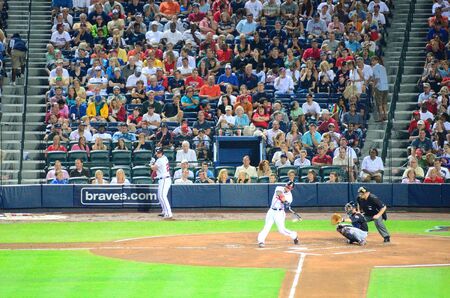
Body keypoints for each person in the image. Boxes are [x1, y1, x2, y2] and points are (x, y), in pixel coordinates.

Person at [257, 181, 299, 248]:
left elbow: (286, 201)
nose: (287, 188)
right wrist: (285, 201)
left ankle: (294, 235)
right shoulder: (279, 188)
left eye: (289, 188)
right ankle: (261, 241)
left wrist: (287, 203)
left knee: (282, 230)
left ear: (291, 189)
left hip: (279, 213)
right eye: (286, 186)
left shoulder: (290, 197)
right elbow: (279, 194)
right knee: (266, 227)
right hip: (271, 211)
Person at [150, 147, 174, 220]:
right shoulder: (164, 158)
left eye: (159, 153)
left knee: (163, 196)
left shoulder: (160, 160)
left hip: (164, 179)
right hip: (163, 179)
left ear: (162, 153)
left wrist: (150, 164)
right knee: (160, 196)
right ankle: (164, 211)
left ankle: (169, 214)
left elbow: (154, 168)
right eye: (157, 153)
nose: (158, 154)